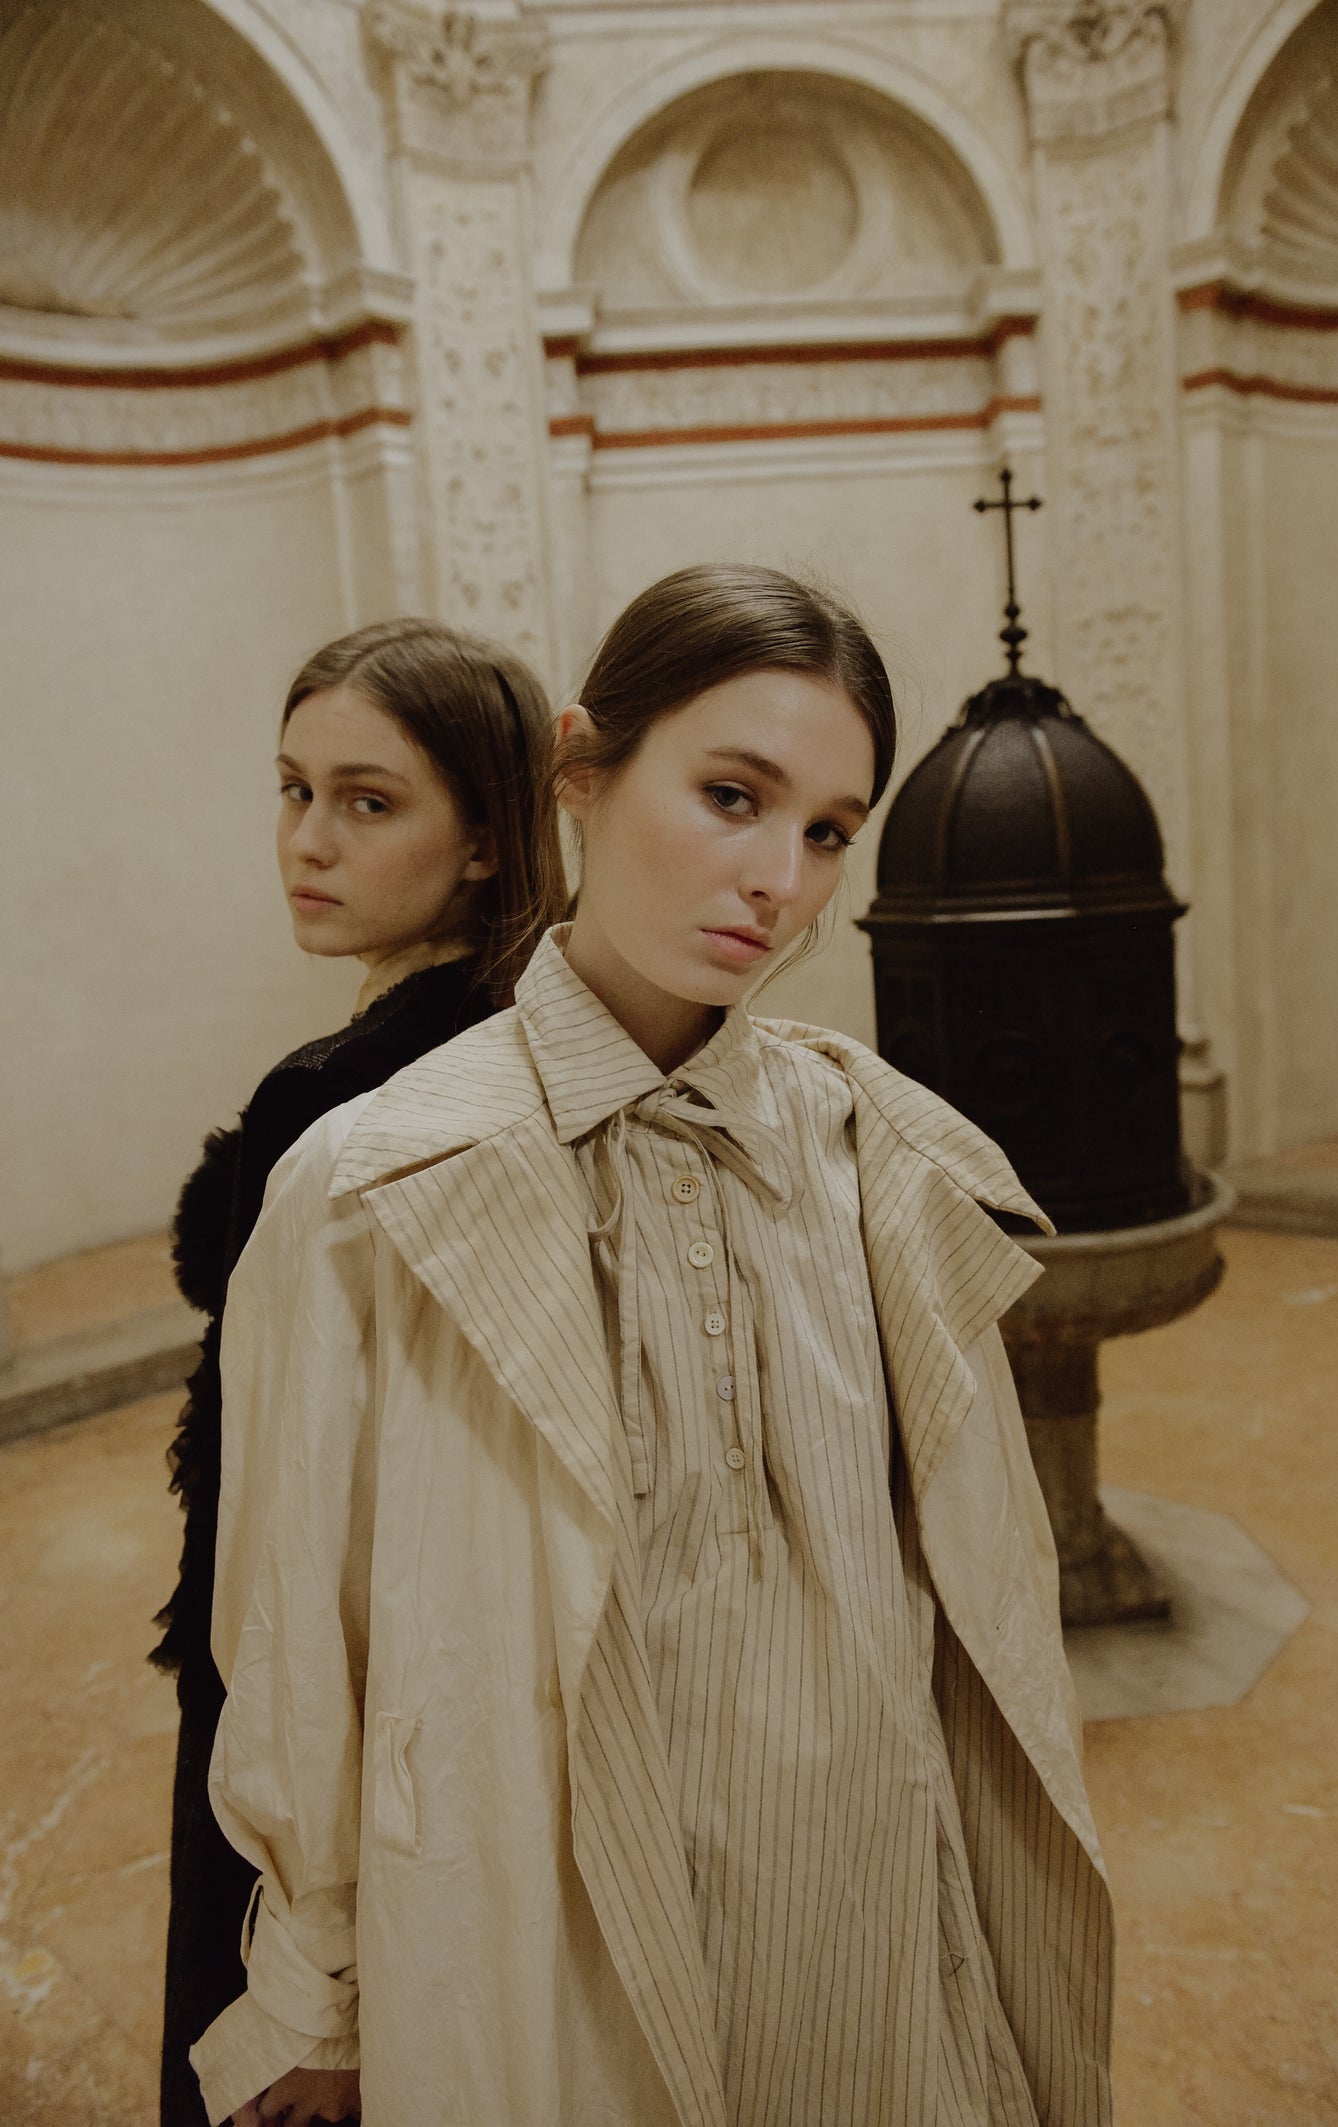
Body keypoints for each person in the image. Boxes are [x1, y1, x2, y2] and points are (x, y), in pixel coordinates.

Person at [193, 566, 1114, 2127]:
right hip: (550, 1932)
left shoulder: (878, 1155)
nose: (779, 876)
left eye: (828, 829)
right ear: (582, 770)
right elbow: (296, 1623)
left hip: (862, 1914)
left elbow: (957, 1625)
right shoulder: (364, 1185)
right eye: (732, 794)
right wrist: (318, 1988)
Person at [150, 617, 566, 2127]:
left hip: (333, 1705)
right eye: (292, 789)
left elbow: (317, 1539)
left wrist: (308, 1964)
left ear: (483, 842)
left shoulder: (346, 1107)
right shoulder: (522, 1040)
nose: (306, 842)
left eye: (368, 801)